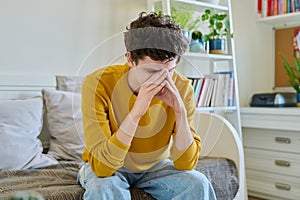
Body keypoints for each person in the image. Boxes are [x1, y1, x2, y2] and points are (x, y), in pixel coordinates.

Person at [77, 11, 217, 200]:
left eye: (170, 71)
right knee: (105, 189)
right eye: (151, 71)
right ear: (130, 59)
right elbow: (103, 167)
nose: (162, 80)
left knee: (198, 183)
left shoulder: (182, 87)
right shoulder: (97, 83)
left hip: (155, 166)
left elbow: (186, 164)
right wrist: (136, 113)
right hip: (109, 166)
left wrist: (179, 111)